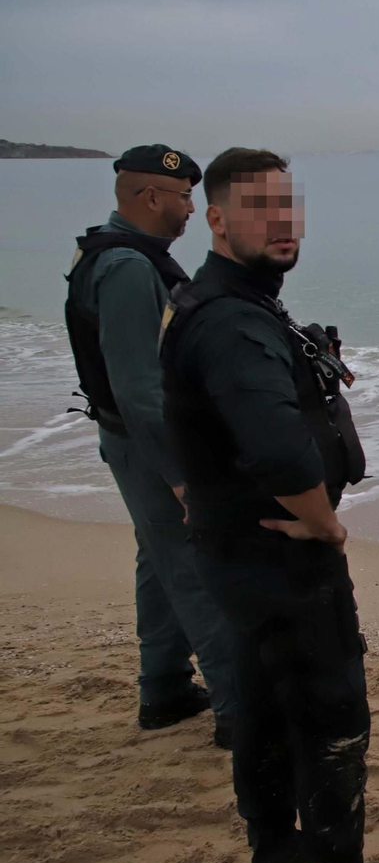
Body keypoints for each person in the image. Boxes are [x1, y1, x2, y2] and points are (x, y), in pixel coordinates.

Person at [160, 147, 379, 863]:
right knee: (333, 720)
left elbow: (200, 424)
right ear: (214, 219)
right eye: (259, 208)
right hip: (280, 557)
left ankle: (275, 850)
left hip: (237, 550)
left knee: (261, 695)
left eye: (290, 206)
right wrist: (324, 523)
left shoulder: (223, 301)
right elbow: (281, 453)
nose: (283, 223)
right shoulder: (232, 318)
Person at [63, 144, 240, 746]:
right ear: (150, 196)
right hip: (148, 447)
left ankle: (163, 688)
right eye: (186, 196)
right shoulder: (129, 268)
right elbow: (139, 388)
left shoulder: (122, 255)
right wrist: (181, 474)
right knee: (196, 567)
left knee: (159, 560)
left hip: (134, 442)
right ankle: (239, 712)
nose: (193, 208)